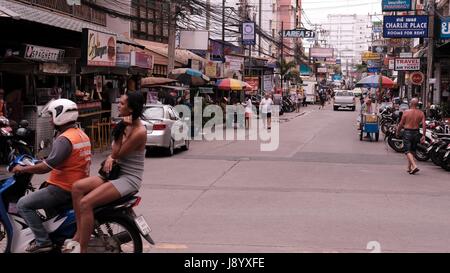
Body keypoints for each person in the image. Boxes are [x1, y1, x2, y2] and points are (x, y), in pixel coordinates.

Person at [67, 91, 146, 253]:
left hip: (129, 178)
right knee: (76, 188)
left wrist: (119, 133)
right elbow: (114, 154)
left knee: (86, 203)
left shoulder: (139, 131)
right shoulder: (127, 125)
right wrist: (112, 155)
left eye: (122, 104)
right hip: (116, 173)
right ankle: (79, 232)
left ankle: (82, 248)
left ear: (131, 109)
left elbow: (117, 152)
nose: (119, 105)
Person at [11, 99, 91, 253]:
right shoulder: (80, 134)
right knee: (42, 188)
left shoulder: (64, 140)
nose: (49, 119)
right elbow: (60, 160)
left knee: (23, 204)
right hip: (77, 186)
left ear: (60, 116)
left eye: (51, 115)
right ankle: (56, 239)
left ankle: (42, 241)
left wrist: (24, 169)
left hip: (63, 189)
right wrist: (38, 162)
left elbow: (45, 168)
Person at [396, 98, 426, 175]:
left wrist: (398, 132)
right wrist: (423, 135)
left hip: (407, 132)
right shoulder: (421, 113)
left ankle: (414, 166)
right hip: (416, 132)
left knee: (407, 151)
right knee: (412, 151)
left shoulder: (406, 112)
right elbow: (424, 125)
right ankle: (409, 168)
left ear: (410, 104)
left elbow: (401, 124)